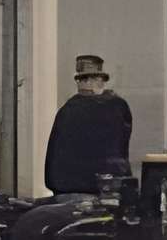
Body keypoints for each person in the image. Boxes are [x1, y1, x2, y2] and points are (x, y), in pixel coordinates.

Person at [42, 53, 135, 196]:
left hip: (67, 189)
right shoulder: (116, 107)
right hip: (106, 188)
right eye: (98, 80)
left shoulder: (68, 110)